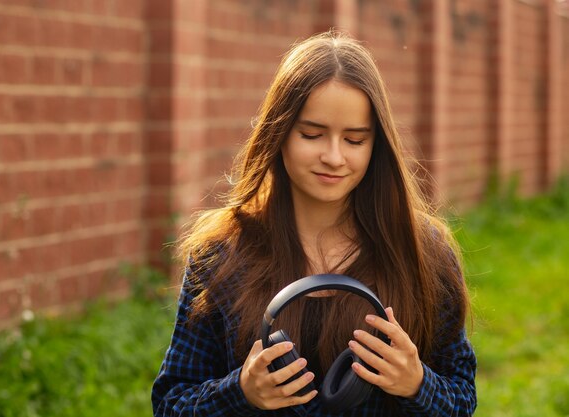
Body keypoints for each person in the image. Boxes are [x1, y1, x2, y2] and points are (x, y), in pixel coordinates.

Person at [151, 31, 476, 417]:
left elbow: (462, 400)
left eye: (355, 140)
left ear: (377, 146)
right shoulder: (220, 254)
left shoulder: (424, 251)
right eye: (312, 134)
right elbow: (171, 404)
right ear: (279, 133)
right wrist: (239, 392)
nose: (334, 157)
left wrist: (418, 384)